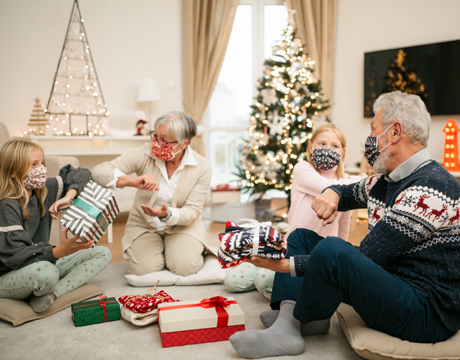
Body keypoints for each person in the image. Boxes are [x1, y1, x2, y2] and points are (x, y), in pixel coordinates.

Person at [229, 91, 460, 359]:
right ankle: (297, 321)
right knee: (303, 237)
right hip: (394, 283)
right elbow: (348, 190)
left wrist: (283, 265)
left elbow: (367, 256)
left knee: (333, 250)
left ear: (394, 133)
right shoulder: (387, 180)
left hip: (425, 312)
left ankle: (289, 329)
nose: (369, 141)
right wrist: (334, 194)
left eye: (374, 131)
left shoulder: (429, 187)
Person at [224, 123, 367, 301]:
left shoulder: (345, 183)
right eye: (322, 144)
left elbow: (344, 224)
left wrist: (339, 257)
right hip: (290, 246)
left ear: (342, 152)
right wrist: (359, 181)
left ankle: (285, 284)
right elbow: (328, 188)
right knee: (232, 282)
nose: (327, 150)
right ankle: (280, 278)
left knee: (264, 281)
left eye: (334, 146)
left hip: (316, 253)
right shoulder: (303, 169)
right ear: (310, 146)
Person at [91, 111, 212, 276]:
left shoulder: (202, 166)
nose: (156, 144)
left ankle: (178, 249)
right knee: (143, 270)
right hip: (144, 225)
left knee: (185, 267)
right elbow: (99, 171)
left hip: (182, 226)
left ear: (183, 144)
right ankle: (163, 250)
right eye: (155, 137)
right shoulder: (144, 153)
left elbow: (192, 211)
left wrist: (167, 214)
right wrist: (131, 181)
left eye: (164, 140)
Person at [0, 140, 111, 313]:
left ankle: (51, 295)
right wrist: (59, 252)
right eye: (34, 164)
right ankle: (38, 287)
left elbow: (81, 173)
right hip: (10, 273)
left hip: (43, 262)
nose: (41, 169)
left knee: (103, 253)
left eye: (42, 163)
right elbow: (15, 256)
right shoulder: (7, 205)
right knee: (48, 274)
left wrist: (69, 196)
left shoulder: (44, 190)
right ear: (13, 171)